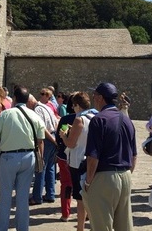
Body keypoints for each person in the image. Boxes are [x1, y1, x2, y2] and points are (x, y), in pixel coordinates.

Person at [0, 86, 45, 231]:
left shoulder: (6, 114)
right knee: (23, 196)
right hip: (29, 156)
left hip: (9, 157)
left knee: (5, 196)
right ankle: (22, 228)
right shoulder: (34, 116)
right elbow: (40, 140)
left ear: (14, 99)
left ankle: (1, 228)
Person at [83, 82, 137, 231]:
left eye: (95, 96)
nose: (94, 99)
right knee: (124, 226)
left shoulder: (98, 120)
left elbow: (93, 157)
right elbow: (134, 155)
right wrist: (126, 174)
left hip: (104, 177)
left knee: (102, 225)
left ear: (100, 98)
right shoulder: (127, 120)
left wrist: (88, 182)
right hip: (125, 175)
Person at [59, 91, 96, 231]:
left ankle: (80, 228)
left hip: (78, 161)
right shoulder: (95, 117)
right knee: (92, 196)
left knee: (80, 198)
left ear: (77, 106)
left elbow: (71, 143)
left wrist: (63, 136)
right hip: (93, 160)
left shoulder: (79, 119)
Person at [28, 92, 58, 205]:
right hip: (53, 135)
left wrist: (52, 140)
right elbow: (55, 122)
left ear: (30, 102)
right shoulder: (46, 107)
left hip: (47, 139)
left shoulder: (37, 110)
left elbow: (42, 129)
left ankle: (37, 197)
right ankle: (50, 194)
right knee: (50, 167)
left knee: (40, 168)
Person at [55, 95, 76, 222]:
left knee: (66, 185)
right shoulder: (87, 118)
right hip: (81, 157)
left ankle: (65, 213)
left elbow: (60, 138)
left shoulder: (66, 119)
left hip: (64, 156)